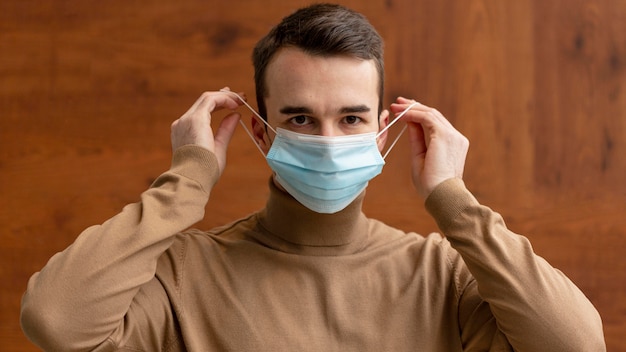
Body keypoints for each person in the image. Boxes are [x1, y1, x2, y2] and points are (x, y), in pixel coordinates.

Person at [20, 3, 605, 351]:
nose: (328, 142)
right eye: (300, 118)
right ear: (259, 130)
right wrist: (187, 180)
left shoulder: (444, 275)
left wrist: (454, 200)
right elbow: (56, 321)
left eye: (350, 118)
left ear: (383, 130)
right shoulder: (181, 274)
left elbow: (576, 344)